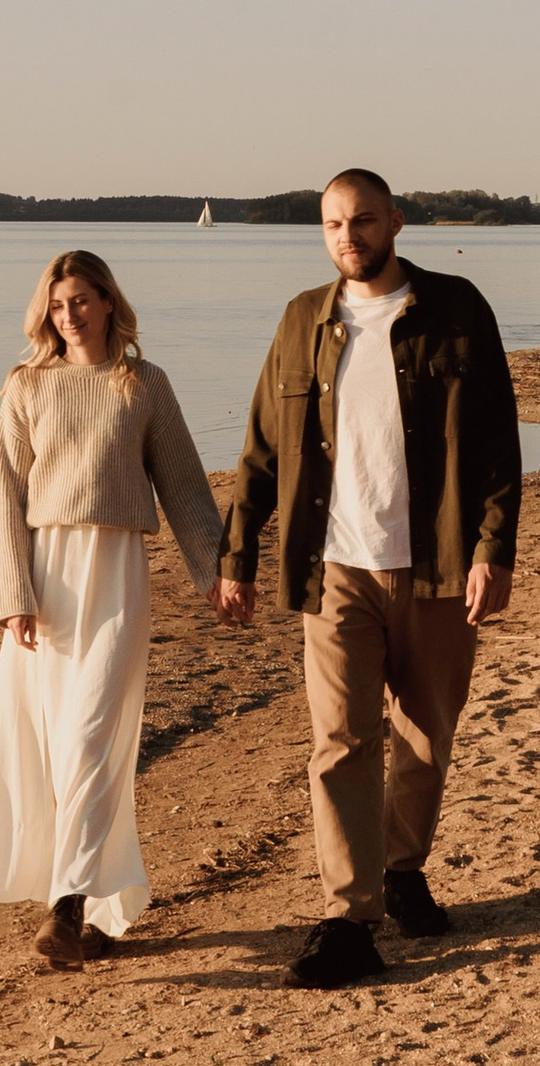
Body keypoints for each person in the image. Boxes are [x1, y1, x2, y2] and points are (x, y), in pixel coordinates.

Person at [216, 168, 521, 990]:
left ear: (395, 222)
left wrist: (495, 551)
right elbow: (260, 451)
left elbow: (497, 441)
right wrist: (237, 558)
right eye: (331, 225)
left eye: (360, 221)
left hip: (437, 565)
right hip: (336, 567)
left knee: (426, 736)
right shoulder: (300, 323)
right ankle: (348, 920)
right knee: (342, 744)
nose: (346, 237)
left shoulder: (457, 309)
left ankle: (402, 870)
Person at [0, 247, 225, 970]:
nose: (71, 314)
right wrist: (11, 596)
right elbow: (4, 497)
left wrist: (219, 575)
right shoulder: (28, 386)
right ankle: (88, 900)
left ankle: (66, 908)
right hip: (46, 581)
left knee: (93, 738)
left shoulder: (143, 383)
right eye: (59, 305)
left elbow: (183, 486)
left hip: (117, 572)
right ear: (46, 313)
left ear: (110, 302)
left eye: (83, 300)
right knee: (55, 747)